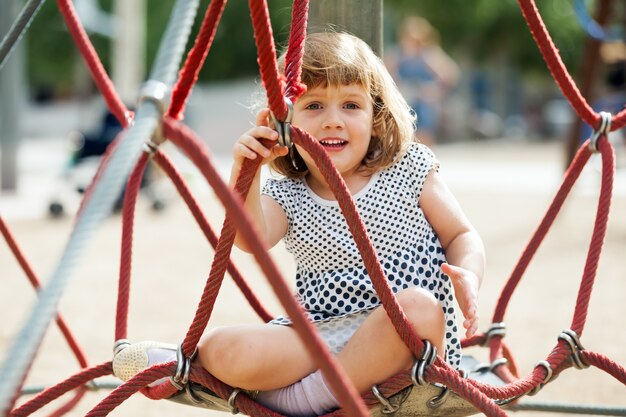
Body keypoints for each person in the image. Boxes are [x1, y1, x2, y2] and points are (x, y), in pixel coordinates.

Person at [112, 32, 484, 417]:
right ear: (285, 124)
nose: (332, 121)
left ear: (376, 118)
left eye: (351, 105)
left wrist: (468, 276)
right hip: (317, 337)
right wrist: (247, 173)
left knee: (420, 307)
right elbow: (249, 240)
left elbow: (461, 234)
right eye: (314, 106)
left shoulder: (407, 167)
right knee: (224, 348)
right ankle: (184, 365)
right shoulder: (289, 193)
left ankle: (300, 402)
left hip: (399, 342)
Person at [386, 16, 460, 146]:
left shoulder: (429, 54)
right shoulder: (398, 53)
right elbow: (384, 71)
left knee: (425, 128)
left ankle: (425, 159)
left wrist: (435, 90)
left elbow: (451, 74)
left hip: (424, 99)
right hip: (405, 97)